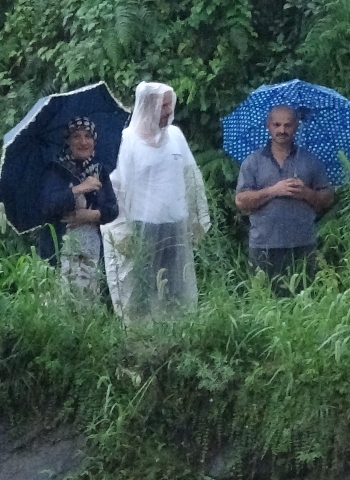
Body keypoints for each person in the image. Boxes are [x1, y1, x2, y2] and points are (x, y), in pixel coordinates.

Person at [101, 82, 211, 323]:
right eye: (164, 105)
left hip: (175, 227)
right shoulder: (126, 141)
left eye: (171, 105)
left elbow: (191, 177)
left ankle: (178, 335)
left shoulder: (176, 136)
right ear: (148, 105)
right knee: (139, 292)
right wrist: (120, 231)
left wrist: (196, 217)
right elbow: (115, 189)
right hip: (141, 229)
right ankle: (141, 338)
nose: (169, 111)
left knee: (176, 291)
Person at [234, 104, 334, 292]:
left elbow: (327, 199)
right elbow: (241, 201)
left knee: (304, 300)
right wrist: (273, 191)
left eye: (287, 125)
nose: (282, 130)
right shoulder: (253, 161)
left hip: (302, 244)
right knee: (264, 301)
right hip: (264, 245)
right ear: (268, 125)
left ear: (296, 126)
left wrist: (306, 193)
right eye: (277, 125)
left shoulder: (310, 160)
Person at [36, 116, 119, 298]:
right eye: (76, 136)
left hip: (92, 248)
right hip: (61, 247)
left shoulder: (99, 170)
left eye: (88, 136)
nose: (83, 142)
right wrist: (79, 189)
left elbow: (112, 209)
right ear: (67, 141)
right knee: (62, 298)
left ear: (94, 140)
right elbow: (47, 205)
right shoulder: (55, 170)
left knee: (91, 298)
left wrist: (92, 215)